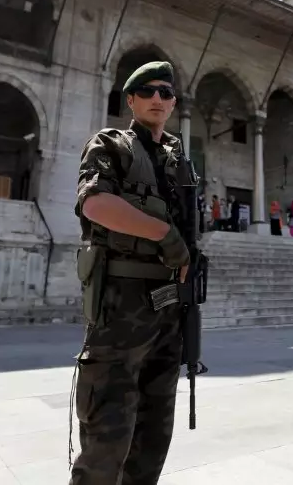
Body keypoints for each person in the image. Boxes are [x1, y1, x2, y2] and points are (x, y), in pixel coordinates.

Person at [71, 60, 193, 485]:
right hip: (121, 305)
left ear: (174, 103)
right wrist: (164, 235)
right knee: (107, 440)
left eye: (166, 93)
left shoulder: (178, 160)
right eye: (147, 91)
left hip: (169, 308)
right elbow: (95, 204)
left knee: (153, 436)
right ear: (131, 100)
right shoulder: (111, 144)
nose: (157, 98)